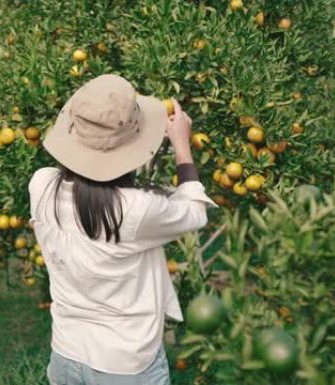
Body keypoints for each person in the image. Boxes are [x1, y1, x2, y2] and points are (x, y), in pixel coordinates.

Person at [28, 74, 217, 385]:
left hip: (66, 353)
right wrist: (182, 147)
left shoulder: (42, 184)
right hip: (125, 366)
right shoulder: (136, 210)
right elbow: (194, 211)